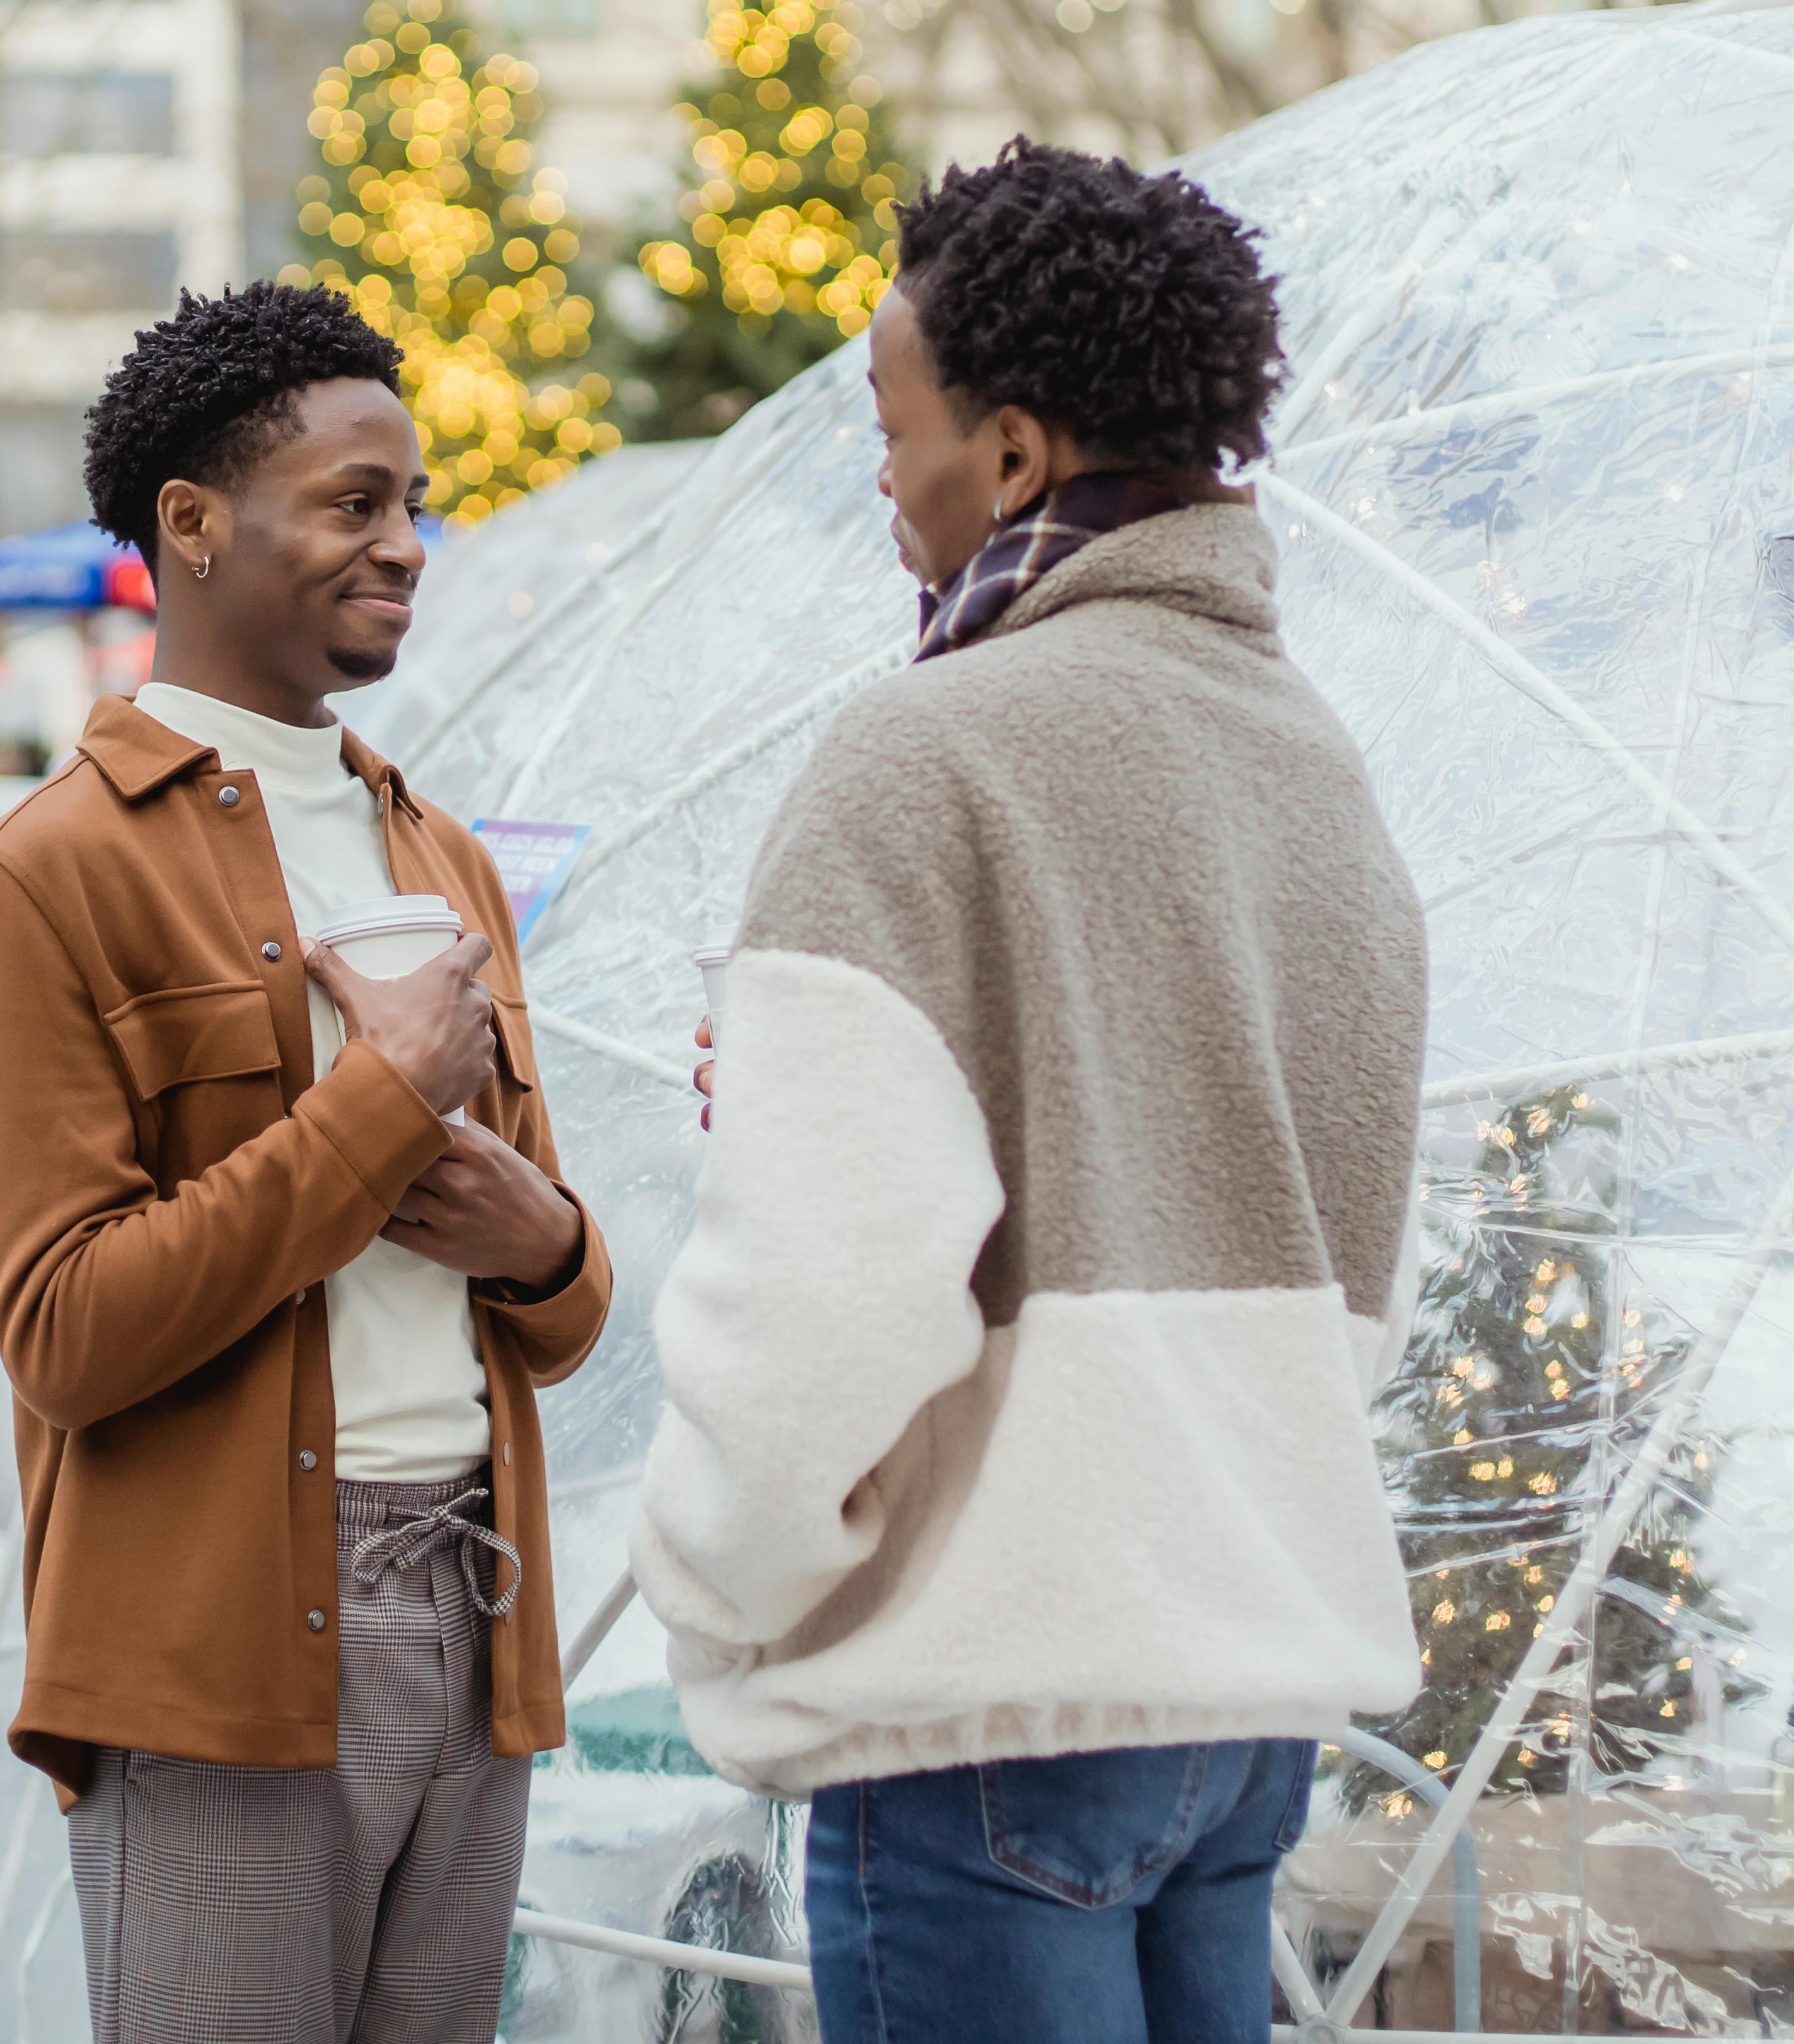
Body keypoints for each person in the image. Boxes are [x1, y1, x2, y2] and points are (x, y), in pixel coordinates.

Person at [632, 142, 1428, 2042]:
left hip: (993, 1702)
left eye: (892, 428)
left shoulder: (925, 759)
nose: (880, 480)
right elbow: (1353, 1268)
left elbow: (826, 1292)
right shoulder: (1312, 766)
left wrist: (718, 1580)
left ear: (1007, 455)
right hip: (1239, 1705)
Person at [0, 282, 611, 2044]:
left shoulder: (442, 851)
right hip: (213, 1650)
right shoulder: (45, 876)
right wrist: (371, 1111)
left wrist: (547, 1244)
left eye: (410, 504)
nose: (406, 544)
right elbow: (65, 1330)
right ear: (192, 523)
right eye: (352, 502)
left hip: (476, 1622)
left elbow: (555, 1305)